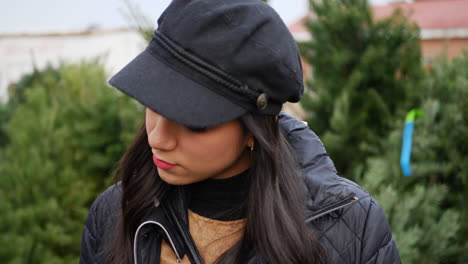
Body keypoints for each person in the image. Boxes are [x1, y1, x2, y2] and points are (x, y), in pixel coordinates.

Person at [79, 0, 400, 263]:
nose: (158, 138)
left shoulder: (350, 225)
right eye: (152, 105)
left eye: (191, 120)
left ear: (255, 129)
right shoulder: (117, 210)